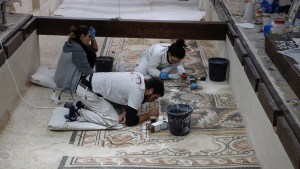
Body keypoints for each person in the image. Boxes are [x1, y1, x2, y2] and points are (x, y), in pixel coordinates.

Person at [65, 72, 164, 127]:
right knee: (113, 120)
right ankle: (78, 112)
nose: (153, 100)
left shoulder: (140, 77)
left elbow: (122, 95)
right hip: (88, 91)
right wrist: (148, 115)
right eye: (155, 97)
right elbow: (130, 121)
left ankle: (83, 104)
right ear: (151, 90)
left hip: (88, 82)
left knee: (117, 111)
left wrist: (125, 111)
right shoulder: (138, 91)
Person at [54, 25, 98, 92]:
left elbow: (95, 49)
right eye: (89, 36)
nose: (90, 38)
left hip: (60, 79)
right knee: (97, 85)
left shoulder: (72, 43)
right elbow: (88, 72)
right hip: (68, 85)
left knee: (91, 53)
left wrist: (93, 38)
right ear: (82, 36)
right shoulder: (78, 51)